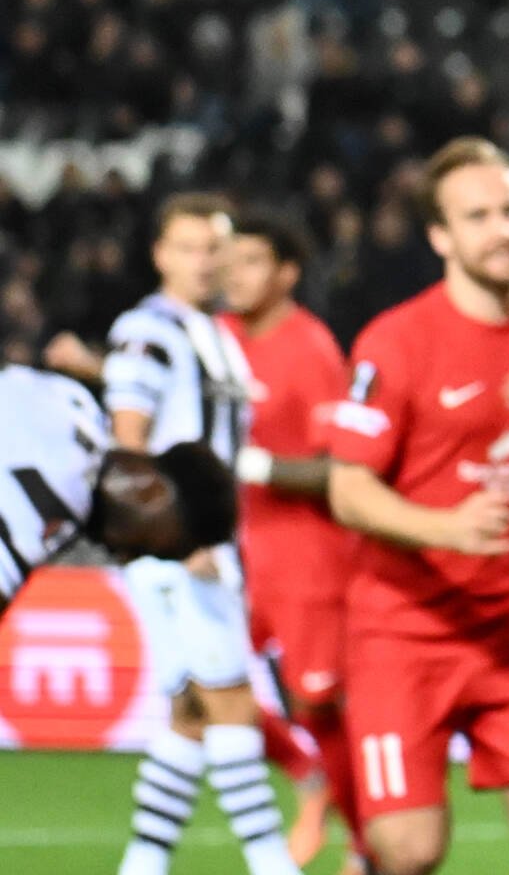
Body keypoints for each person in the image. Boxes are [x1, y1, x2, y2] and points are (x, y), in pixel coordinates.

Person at [325, 136, 509, 875]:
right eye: (479, 216)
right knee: (408, 851)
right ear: (441, 237)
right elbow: (347, 489)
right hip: (403, 632)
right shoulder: (396, 341)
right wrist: (445, 528)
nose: (505, 229)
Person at [104, 194, 308, 875]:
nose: (204, 261)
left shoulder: (212, 332)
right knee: (232, 707)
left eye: (213, 247)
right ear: (160, 255)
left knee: (191, 716)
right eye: (188, 247)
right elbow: (128, 446)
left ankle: (143, 861)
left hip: (207, 549)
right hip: (178, 553)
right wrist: (178, 538)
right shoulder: (148, 330)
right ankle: (270, 861)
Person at [220, 211, 362, 866]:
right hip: (232, 551)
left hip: (307, 555)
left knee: (317, 701)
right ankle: (310, 778)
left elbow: (339, 468)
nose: (233, 273)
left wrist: (257, 466)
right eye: (230, 259)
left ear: (286, 274)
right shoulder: (217, 338)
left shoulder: (310, 349)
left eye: (251, 261)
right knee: (203, 684)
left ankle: (363, 841)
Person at [0, 363, 235, 613]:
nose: (124, 558)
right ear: (152, 492)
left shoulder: (77, 401)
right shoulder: (56, 505)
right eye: (144, 550)